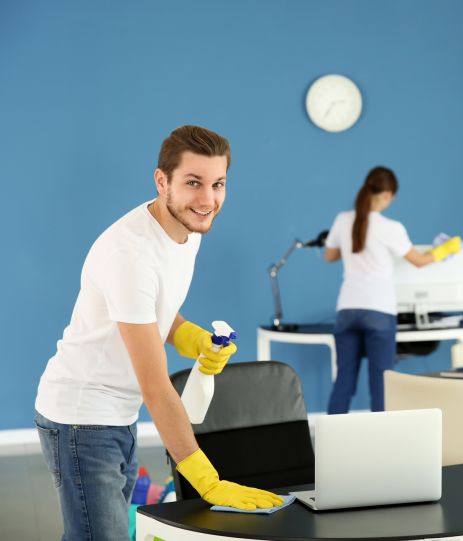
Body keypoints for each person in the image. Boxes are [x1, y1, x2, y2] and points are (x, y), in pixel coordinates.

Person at [34, 125, 283, 540]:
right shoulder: (130, 254)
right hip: (81, 417)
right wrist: (206, 479)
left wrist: (193, 338)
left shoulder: (187, 229)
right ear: (161, 181)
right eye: (193, 183)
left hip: (119, 413)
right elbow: (155, 385)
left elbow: (154, 311)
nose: (207, 200)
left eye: (218, 184)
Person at [324, 166, 461, 414]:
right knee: (382, 382)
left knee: (344, 380)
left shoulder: (343, 220)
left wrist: (351, 241)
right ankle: (383, 443)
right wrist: (445, 250)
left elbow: (329, 255)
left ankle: (328, 442)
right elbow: (419, 261)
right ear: (387, 195)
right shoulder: (391, 227)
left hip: (347, 310)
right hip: (379, 311)